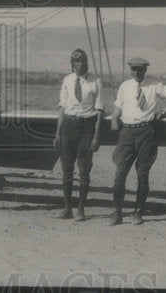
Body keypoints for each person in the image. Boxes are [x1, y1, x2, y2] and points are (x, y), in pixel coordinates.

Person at [108, 57, 166, 226]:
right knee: (120, 173)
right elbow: (118, 106)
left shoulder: (155, 85)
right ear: (130, 70)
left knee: (142, 173)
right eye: (134, 69)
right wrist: (114, 118)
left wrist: (162, 112)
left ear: (145, 69)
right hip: (127, 132)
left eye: (140, 69)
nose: (137, 72)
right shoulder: (125, 86)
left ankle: (138, 212)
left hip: (146, 132)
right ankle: (117, 212)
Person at [53, 48, 103, 220]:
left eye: (83, 61)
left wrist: (96, 136)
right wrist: (57, 133)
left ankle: (81, 209)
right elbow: (62, 107)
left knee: (84, 171)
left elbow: (100, 110)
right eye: (77, 61)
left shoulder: (96, 81)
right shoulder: (67, 80)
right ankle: (67, 208)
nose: (81, 64)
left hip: (86, 127)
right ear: (72, 63)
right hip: (67, 126)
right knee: (67, 171)